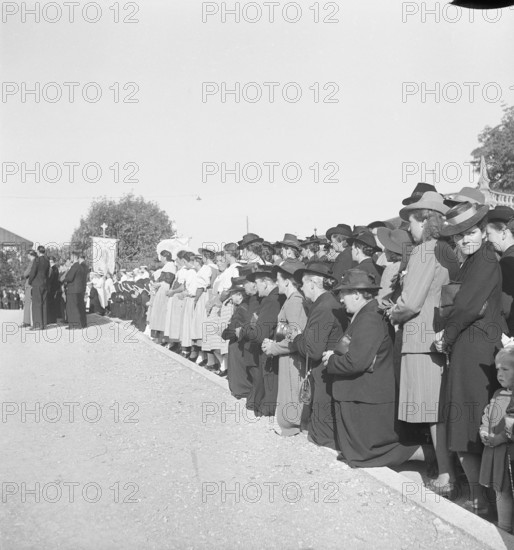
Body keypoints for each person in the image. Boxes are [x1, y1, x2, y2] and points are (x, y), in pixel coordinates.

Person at [390, 191, 460, 496]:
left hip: (420, 339)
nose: (408, 228)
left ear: (425, 220)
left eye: (412, 221)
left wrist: (393, 310)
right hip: (439, 335)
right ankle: (450, 472)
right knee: (439, 410)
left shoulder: (422, 252)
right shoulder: (448, 251)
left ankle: (446, 476)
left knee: (432, 412)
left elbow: (412, 302)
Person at [435, 201, 503, 515]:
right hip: (469, 347)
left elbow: (466, 308)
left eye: (471, 231)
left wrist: (445, 337)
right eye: (459, 236)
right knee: (466, 426)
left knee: (470, 425)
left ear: (483, 229)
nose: (465, 239)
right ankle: (482, 501)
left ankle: (485, 503)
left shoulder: (486, 258)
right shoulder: (474, 260)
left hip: (475, 348)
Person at [323, 269, 424, 467]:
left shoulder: (368, 318)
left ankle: (429, 455)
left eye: (343, 294)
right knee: (360, 454)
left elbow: (356, 362)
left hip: (367, 398)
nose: (341, 300)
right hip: (364, 396)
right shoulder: (368, 314)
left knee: (368, 453)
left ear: (357, 294)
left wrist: (331, 361)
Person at [289, 262, 348, 449]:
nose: (302, 287)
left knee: (322, 437)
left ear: (313, 283)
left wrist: (297, 338)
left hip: (325, 374)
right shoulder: (328, 302)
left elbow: (313, 350)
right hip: (329, 372)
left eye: (303, 283)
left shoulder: (323, 307)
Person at [262, 259, 307, 436]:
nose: (276, 283)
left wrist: (274, 347)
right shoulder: (291, 301)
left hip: (292, 357)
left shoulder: (295, 301)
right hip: (286, 354)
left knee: (291, 387)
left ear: (287, 281)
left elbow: (295, 336)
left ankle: (290, 425)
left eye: (279, 280)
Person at [238, 266, 284, 416]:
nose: (256, 289)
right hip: (276, 346)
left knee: (269, 383)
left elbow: (259, 334)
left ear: (265, 282)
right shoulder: (276, 297)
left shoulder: (271, 300)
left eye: (257, 284)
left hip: (270, 351)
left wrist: (245, 330)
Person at [479, 346, 514, 533]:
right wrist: (484, 430)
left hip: (509, 454)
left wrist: (500, 438)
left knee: (508, 491)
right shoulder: (497, 394)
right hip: (497, 453)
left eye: (505, 369)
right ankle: (504, 528)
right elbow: (488, 415)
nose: (499, 374)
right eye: (497, 369)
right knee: (501, 490)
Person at [485, 206, 514, 336]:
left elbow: (504, 307)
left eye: (489, 234)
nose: (488, 239)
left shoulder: (507, 262)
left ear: (504, 232)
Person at [148, 250, 176, 344]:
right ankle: (158, 337)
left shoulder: (170, 266)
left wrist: (158, 284)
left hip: (164, 290)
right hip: (161, 289)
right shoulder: (167, 266)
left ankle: (161, 338)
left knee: (161, 313)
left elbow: (167, 281)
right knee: (158, 313)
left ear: (164, 257)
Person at [64, 251, 88, 329]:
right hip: (80, 289)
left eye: (71, 257)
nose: (70, 258)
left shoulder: (75, 266)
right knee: (80, 307)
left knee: (72, 308)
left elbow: (69, 277)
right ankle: (82, 323)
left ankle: (74, 325)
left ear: (74, 257)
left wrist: (66, 276)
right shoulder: (81, 266)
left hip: (73, 289)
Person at [28, 245, 50, 330]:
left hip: (37, 284)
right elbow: (48, 273)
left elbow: (33, 272)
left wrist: (30, 281)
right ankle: (44, 324)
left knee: (36, 304)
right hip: (44, 283)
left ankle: (37, 324)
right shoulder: (47, 261)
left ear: (38, 251)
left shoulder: (37, 260)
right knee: (44, 304)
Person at [21, 250, 36, 327]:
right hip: (34, 285)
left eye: (28, 254)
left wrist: (24, 274)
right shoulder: (36, 261)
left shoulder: (32, 262)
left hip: (29, 285)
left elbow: (26, 273)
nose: (27, 256)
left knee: (27, 303)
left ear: (30, 255)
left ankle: (26, 321)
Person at [47, 256, 62, 324]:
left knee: (51, 303)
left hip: (52, 287)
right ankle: (52, 318)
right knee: (52, 302)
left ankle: (51, 319)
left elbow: (51, 278)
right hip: (54, 287)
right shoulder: (55, 268)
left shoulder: (53, 269)